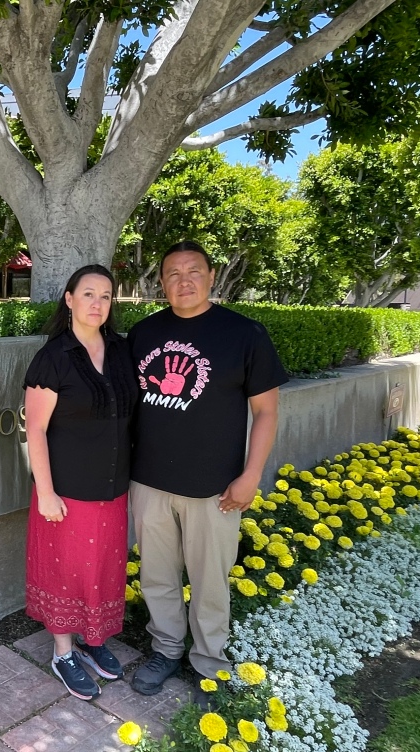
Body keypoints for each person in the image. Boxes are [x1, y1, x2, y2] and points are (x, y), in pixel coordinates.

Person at [127, 241, 289, 704]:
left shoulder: (244, 334)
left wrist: (251, 474)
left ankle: (209, 662)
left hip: (215, 488)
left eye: (193, 271)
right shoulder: (143, 334)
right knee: (157, 575)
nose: (183, 280)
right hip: (150, 480)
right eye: (172, 273)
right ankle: (165, 649)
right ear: (161, 282)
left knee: (210, 579)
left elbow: (266, 413)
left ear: (211, 276)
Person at [23, 264, 139, 700]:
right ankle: (64, 652)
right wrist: (46, 492)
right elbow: (35, 430)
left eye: (106, 296)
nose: (97, 303)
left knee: (103, 569)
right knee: (67, 571)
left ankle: (94, 640)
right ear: (69, 299)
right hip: (66, 491)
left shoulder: (122, 351)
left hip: (113, 487)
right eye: (88, 294)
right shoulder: (53, 358)